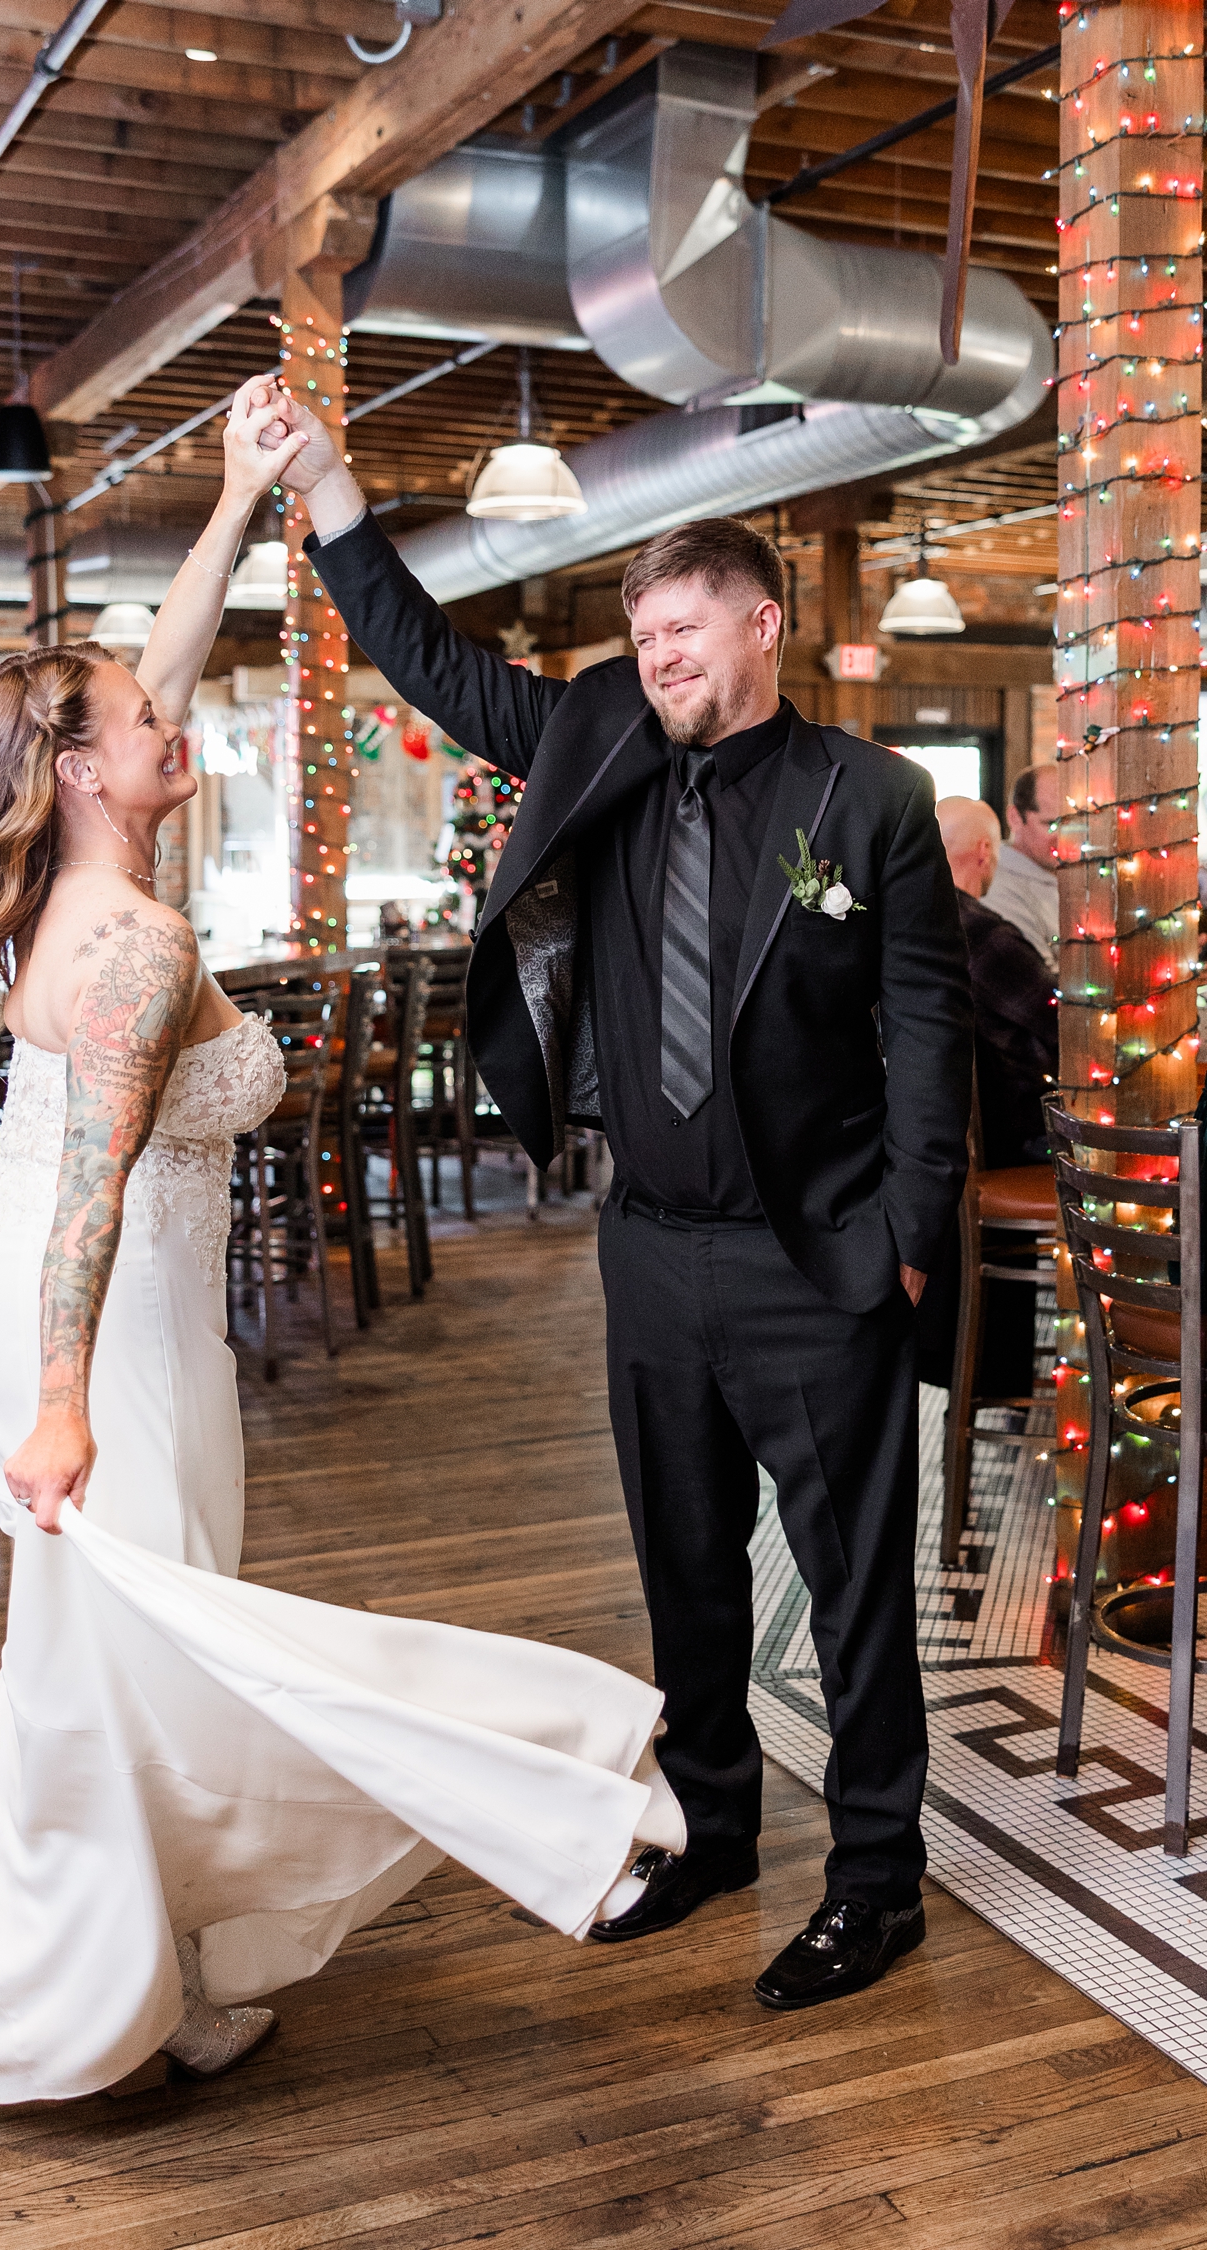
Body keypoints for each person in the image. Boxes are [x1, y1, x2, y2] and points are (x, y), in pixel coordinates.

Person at [0, 377, 683, 2107]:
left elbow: (147, 668)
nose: (180, 718)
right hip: (91, 1320)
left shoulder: (91, 871)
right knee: (119, 1653)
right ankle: (46, 2007)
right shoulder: (135, 947)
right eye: (142, 717)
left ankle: (168, 1972)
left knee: (151, 1640)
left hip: (127, 1307)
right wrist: (68, 1403)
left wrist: (243, 496)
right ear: (87, 770)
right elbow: (90, 1193)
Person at [271, 385, 972, 2012]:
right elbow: (434, 668)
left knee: (855, 1586)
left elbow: (929, 1037)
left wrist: (910, 1243)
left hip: (821, 1256)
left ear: (761, 625)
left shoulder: (868, 802)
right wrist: (330, 495)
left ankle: (878, 1883)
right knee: (684, 1567)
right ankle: (716, 1828)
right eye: (642, 630)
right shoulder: (596, 734)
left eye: (682, 627)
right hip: (649, 1255)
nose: (657, 654)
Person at [936, 795, 1057, 1168]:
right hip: (1021, 1136)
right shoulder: (981, 933)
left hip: (952, 1136)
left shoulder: (924, 922)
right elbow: (1061, 1021)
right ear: (985, 850)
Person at [983, 762, 1060, 971]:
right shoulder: (997, 887)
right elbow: (1042, 981)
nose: (1065, 837)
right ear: (1015, 818)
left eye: (1076, 822)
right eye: (1051, 824)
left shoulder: (1074, 875)